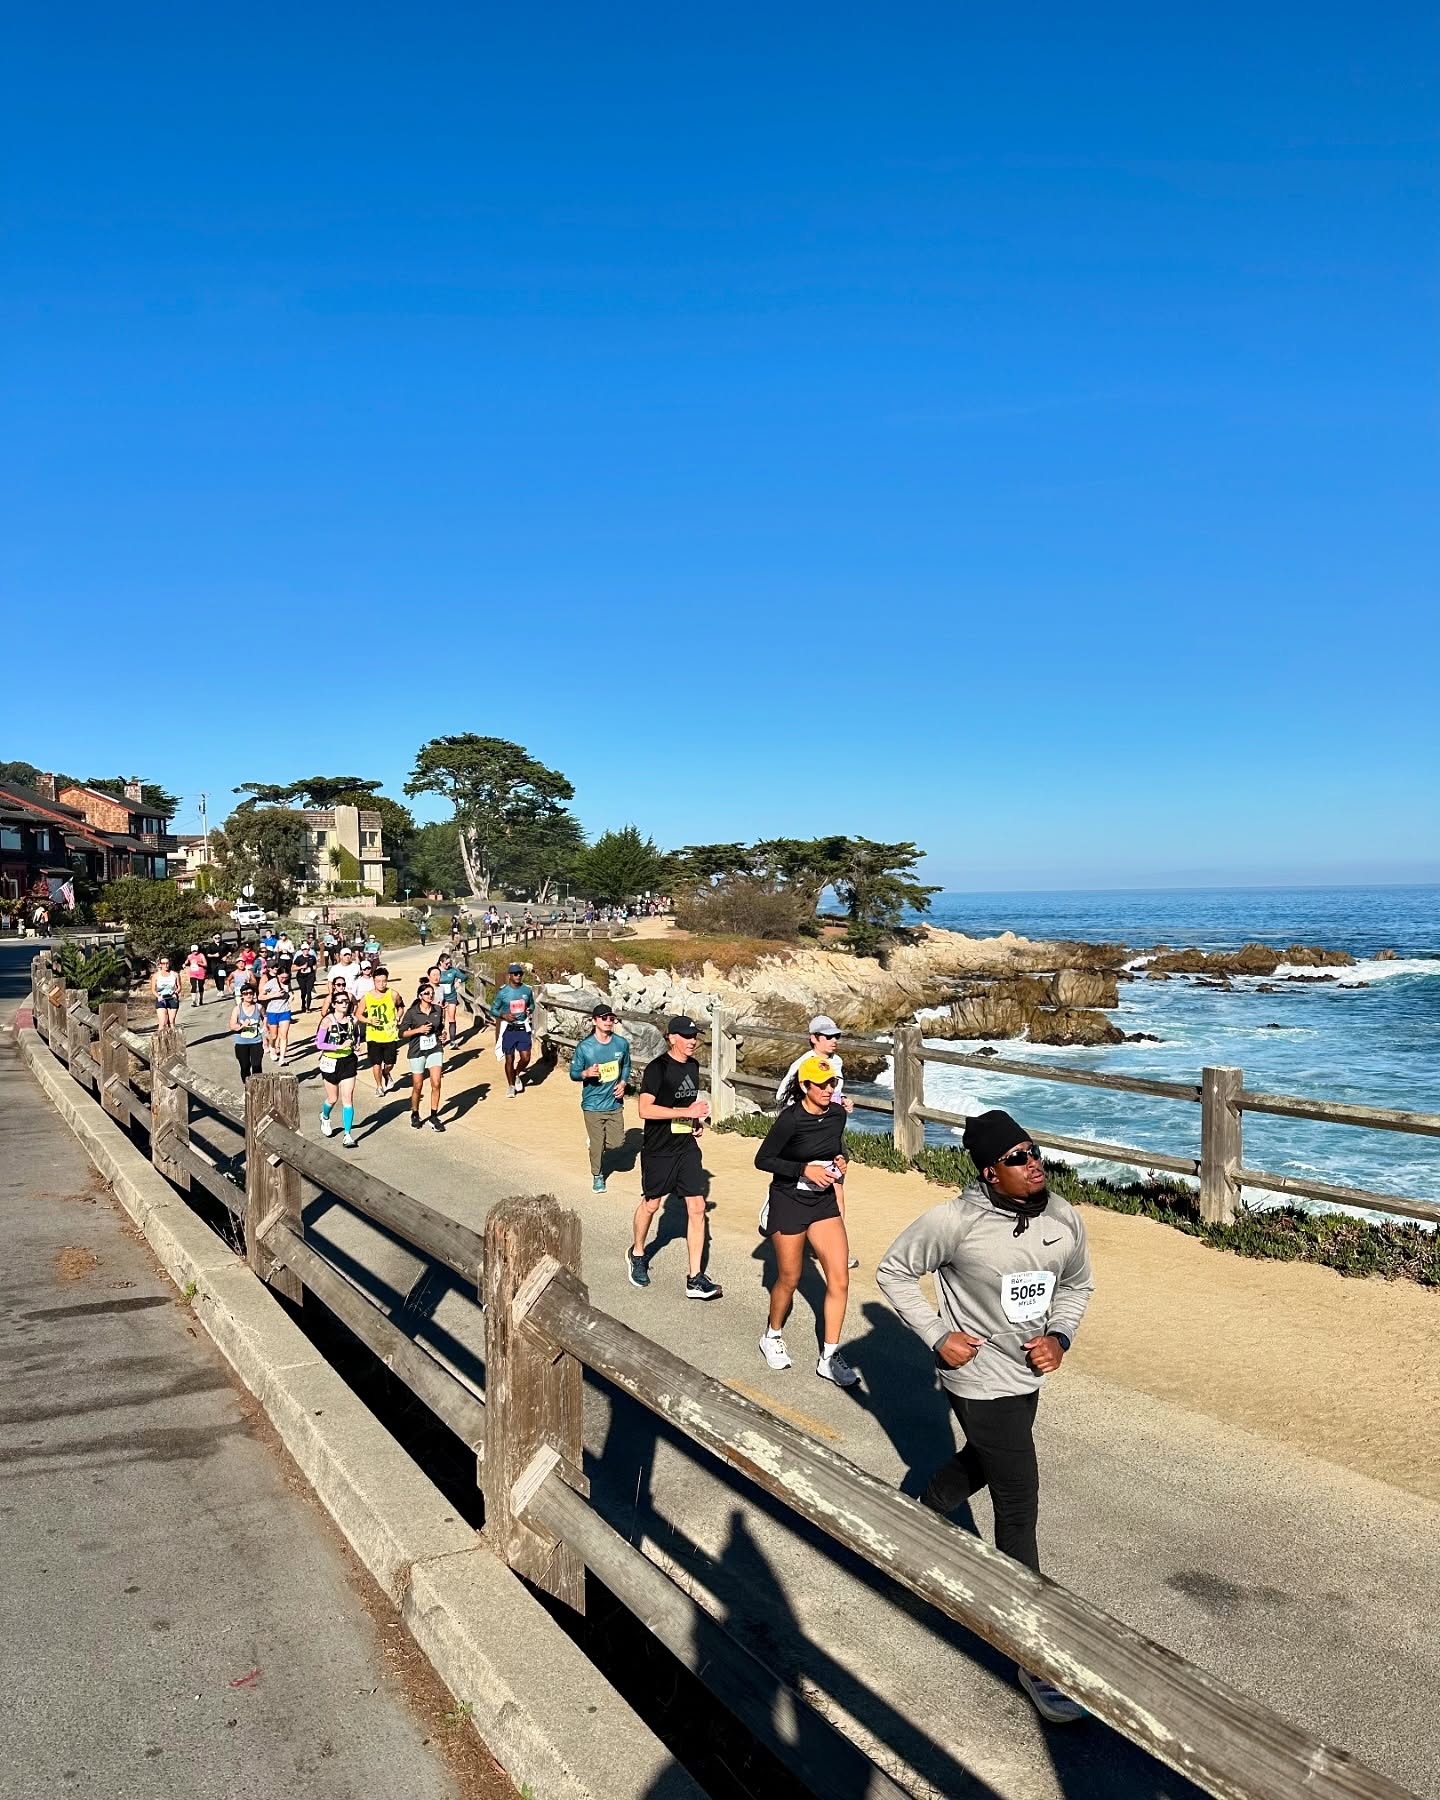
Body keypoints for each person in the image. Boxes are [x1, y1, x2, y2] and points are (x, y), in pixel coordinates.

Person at [876, 1109, 1094, 1726]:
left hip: (1027, 1375)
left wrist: (1061, 1337)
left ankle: (915, 1519)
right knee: (1017, 1495)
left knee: (985, 1459)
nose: (1034, 1165)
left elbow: (1078, 1286)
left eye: (1034, 1151)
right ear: (989, 1172)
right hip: (975, 1377)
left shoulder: (1061, 1218)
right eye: (1018, 1158)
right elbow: (892, 1270)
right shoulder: (955, 1222)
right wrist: (937, 1334)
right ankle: (1033, 1655)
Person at [754, 1055, 858, 1387]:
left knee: (839, 1279)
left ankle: (828, 1358)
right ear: (804, 1086)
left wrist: (839, 1164)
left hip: (822, 1202)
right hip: (788, 1200)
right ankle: (771, 1335)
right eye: (822, 1084)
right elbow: (763, 1159)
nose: (829, 1089)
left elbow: (835, 1151)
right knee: (789, 1277)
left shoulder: (838, 1114)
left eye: (833, 1083)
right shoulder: (790, 1120)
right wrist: (803, 1170)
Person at [629, 1017, 721, 1300]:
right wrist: (686, 1113)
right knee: (652, 1204)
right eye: (686, 1036)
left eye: (695, 1036)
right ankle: (637, 1253)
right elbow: (645, 1110)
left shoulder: (693, 1066)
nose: (692, 1040)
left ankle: (695, 1279)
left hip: (685, 1147)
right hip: (658, 1149)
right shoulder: (658, 1068)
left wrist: (694, 1122)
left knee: (697, 1206)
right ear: (672, 1038)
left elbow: (685, 1106)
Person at [570, 1002, 630, 1192]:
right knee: (597, 1146)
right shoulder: (585, 1047)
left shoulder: (621, 1043)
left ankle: (596, 1141)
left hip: (614, 1102)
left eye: (611, 1018)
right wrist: (586, 1074)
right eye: (604, 1018)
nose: (608, 1021)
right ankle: (597, 1176)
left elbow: (626, 1066)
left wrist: (623, 1083)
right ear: (595, 1021)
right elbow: (573, 1073)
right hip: (592, 1104)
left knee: (617, 1142)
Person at [315, 988, 361, 1147]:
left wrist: (356, 1045)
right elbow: (319, 1044)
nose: (344, 1004)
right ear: (334, 1004)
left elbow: (356, 1035)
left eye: (346, 1002)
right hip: (330, 1062)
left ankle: (348, 1135)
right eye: (340, 1002)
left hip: (348, 1062)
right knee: (333, 1098)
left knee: (347, 1098)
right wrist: (339, 1047)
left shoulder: (352, 1020)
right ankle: (325, 1116)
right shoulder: (327, 1021)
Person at [400, 978, 447, 1131]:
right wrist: (418, 1030)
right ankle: (415, 1113)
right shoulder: (412, 1013)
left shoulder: (438, 1010)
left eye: (431, 993)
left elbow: (440, 1028)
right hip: (417, 1050)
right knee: (418, 1085)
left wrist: (443, 1035)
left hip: (435, 1048)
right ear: (420, 996)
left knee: (436, 1082)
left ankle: (434, 1116)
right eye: (426, 993)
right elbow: (401, 1033)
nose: (430, 995)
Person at [490, 962, 535, 1098]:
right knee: (509, 1059)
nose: (518, 976)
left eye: (520, 974)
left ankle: (516, 1073)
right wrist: (503, 1015)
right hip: (509, 1029)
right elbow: (493, 1009)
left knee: (526, 1057)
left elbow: (532, 1004)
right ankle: (511, 1085)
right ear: (509, 976)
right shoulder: (503, 992)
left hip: (522, 1027)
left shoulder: (527, 990)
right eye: (515, 974)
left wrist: (529, 1010)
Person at [360, 965, 401, 1096]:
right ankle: (379, 1086)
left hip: (389, 1034)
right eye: (378, 981)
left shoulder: (393, 994)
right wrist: (369, 1021)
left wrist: (398, 1017)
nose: (381, 984)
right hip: (373, 1035)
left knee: (390, 1063)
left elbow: (401, 1007)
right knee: (376, 1062)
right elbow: (358, 1014)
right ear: (373, 981)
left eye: (384, 981)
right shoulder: (367, 997)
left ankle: (386, 1073)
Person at [229, 981, 265, 1082]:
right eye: (245, 993)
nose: (249, 995)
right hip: (242, 1042)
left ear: (254, 994)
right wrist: (242, 1025)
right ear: (242, 996)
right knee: (245, 1067)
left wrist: (264, 1029)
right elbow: (232, 1026)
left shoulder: (259, 1007)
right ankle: (247, 1087)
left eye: (250, 993)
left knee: (256, 1066)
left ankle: (258, 1088)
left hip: (256, 1041)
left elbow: (265, 1017)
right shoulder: (237, 1009)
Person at [258, 963, 294, 1064]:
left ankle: (282, 1058)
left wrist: (291, 995)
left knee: (284, 1035)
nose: (284, 979)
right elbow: (260, 997)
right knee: (274, 1036)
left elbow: (290, 991)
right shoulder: (271, 983)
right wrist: (274, 995)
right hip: (272, 1011)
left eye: (286, 977)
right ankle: (272, 1046)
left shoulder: (288, 982)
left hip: (285, 1011)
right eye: (282, 977)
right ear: (278, 975)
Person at [435, 952, 468, 1046]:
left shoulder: (453, 971)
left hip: (451, 996)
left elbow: (464, 977)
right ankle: (440, 1039)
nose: (448, 965)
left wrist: (459, 981)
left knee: (451, 1018)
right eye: (446, 963)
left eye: (449, 963)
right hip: (439, 997)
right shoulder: (436, 971)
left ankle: (452, 1041)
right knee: (440, 1019)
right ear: (441, 962)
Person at [151, 956, 181, 1029]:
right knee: (162, 1022)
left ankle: (173, 1039)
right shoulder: (156, 976)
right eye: (163, 963)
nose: (166, 965)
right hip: (161, 998)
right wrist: (158, 996)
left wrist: (176, 993)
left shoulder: (175, 974)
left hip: (172, 998)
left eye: (167, 963)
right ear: (160, 965)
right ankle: (161, 1039)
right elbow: (153, 989)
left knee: (171, 1022)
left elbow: (179, 987)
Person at [292, 938, 318, 1013]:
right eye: (304, 949)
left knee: (309, 991)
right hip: (301, 977)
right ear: (302, 950)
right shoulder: (299, 958)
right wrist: (301, 967)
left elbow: (315, 965)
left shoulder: (312, 957)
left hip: (310, 976)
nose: (306, 951)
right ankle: (303, 1004)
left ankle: (308, 1007)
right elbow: (293, 968)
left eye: (307, 949)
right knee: (303, 992)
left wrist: (314, 969)